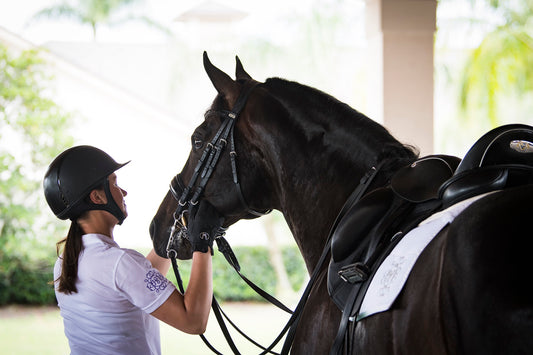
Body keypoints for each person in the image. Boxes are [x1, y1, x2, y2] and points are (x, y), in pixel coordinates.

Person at [43, 145, 223, 355]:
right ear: (97, 197)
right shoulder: (118, 263)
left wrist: (172, 228)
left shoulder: (66, 261)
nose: (123, 191)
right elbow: (193, 321)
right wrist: (203, 240)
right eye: (114, 183)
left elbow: (135, 284)